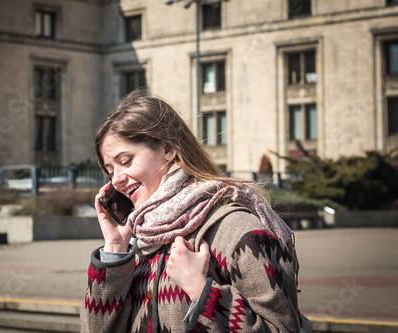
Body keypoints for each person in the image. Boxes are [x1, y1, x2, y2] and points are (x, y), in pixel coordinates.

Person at [80, 89, 312, 333]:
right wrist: (115, 250)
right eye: (109, 170)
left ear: (167, 149)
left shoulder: (239, 230)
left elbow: (283, 329)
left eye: (125, 161)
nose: (116, 180)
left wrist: (201, 291)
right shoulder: (138, 243)